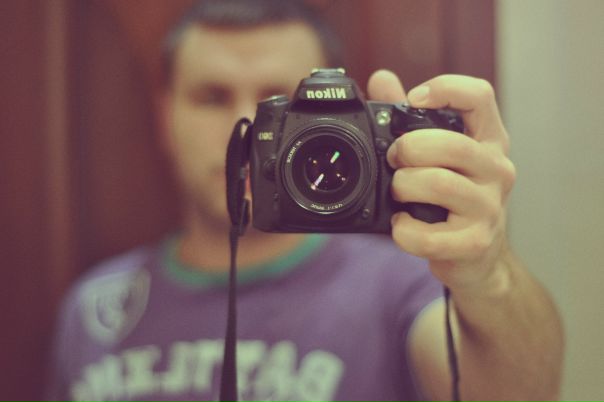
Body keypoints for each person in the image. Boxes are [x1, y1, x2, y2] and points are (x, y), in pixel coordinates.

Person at [46, 1, 564, 401]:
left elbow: (523, 394)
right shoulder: (94, 308)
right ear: (165, 116)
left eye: (277, 102)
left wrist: (487, 273)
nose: (244, 128)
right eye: (212, 97)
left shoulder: (401, 285)